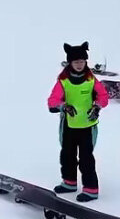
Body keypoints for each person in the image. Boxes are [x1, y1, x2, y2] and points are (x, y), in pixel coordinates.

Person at [46, 42, 109, 202]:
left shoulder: (91, 80)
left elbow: (103, 96)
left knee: (86, 158)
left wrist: (97, 107)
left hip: (88, 126)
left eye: (82, 61)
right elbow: (52, 100)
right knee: (67, 155)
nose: (79, 65)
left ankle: (91, 189)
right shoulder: (63, 80)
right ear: (70, 63)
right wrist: (63, 106)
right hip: (69, 125)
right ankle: (69, 182)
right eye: (76, 62)